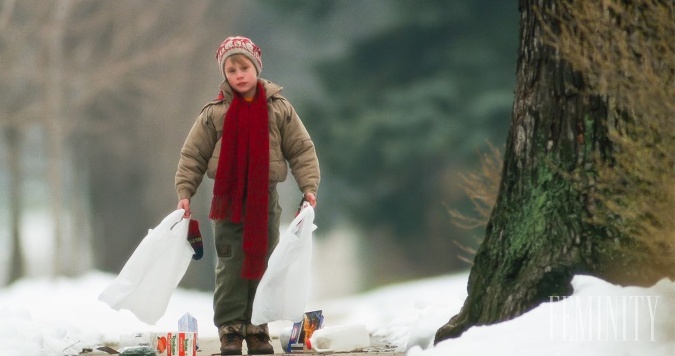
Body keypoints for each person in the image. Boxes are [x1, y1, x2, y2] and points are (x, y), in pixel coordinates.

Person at [175, 35, 320, 355]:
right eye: (231, 70)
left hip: (265, 201)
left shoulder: (279, 109)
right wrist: (185, 192)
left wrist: (308, 187)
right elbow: (192, 156)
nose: (239, 75)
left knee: (262, 262)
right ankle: (230, 329)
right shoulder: (214, 113)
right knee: (229, 263)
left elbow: (301, 150)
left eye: (244, 67)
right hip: (226, 200)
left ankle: (257, 329)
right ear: (224, 75)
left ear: (257, 67)